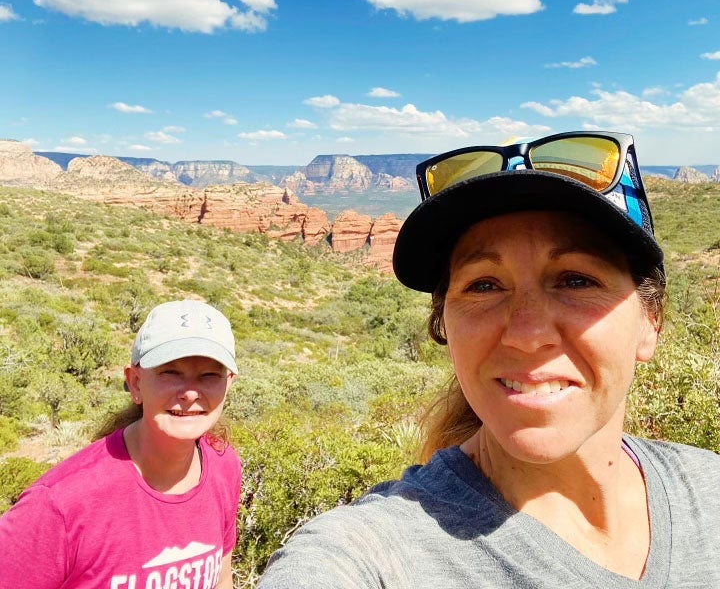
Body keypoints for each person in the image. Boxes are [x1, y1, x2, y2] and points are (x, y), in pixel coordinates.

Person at [258, 130, 720, 587]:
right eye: (483, 285)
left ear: (650, 321)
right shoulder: (372, 554)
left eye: (576, 280)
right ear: (443, 324)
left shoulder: (709, 490)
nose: (527, 333)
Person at [0, 298, 241, 589]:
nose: (190, 392)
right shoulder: (58, 505)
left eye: (209, 375)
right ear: (136, 382)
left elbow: (222, 577)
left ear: (228, 384)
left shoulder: (223, 465)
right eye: (170, 372)